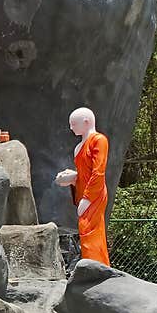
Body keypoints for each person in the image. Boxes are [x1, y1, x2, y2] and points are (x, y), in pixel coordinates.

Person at [54, 108, 110, 266]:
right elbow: (83, 173)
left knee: (90, 230)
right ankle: (93, 264)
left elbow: (98, 172)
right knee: (85, 231)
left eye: (73, 124)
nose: (71, 128)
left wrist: (87, 198)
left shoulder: (98, 140)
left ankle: (97, 267)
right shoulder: (78, 147)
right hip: (85, 192)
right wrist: (72, 178)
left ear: (86, 122)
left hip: (95, 193)